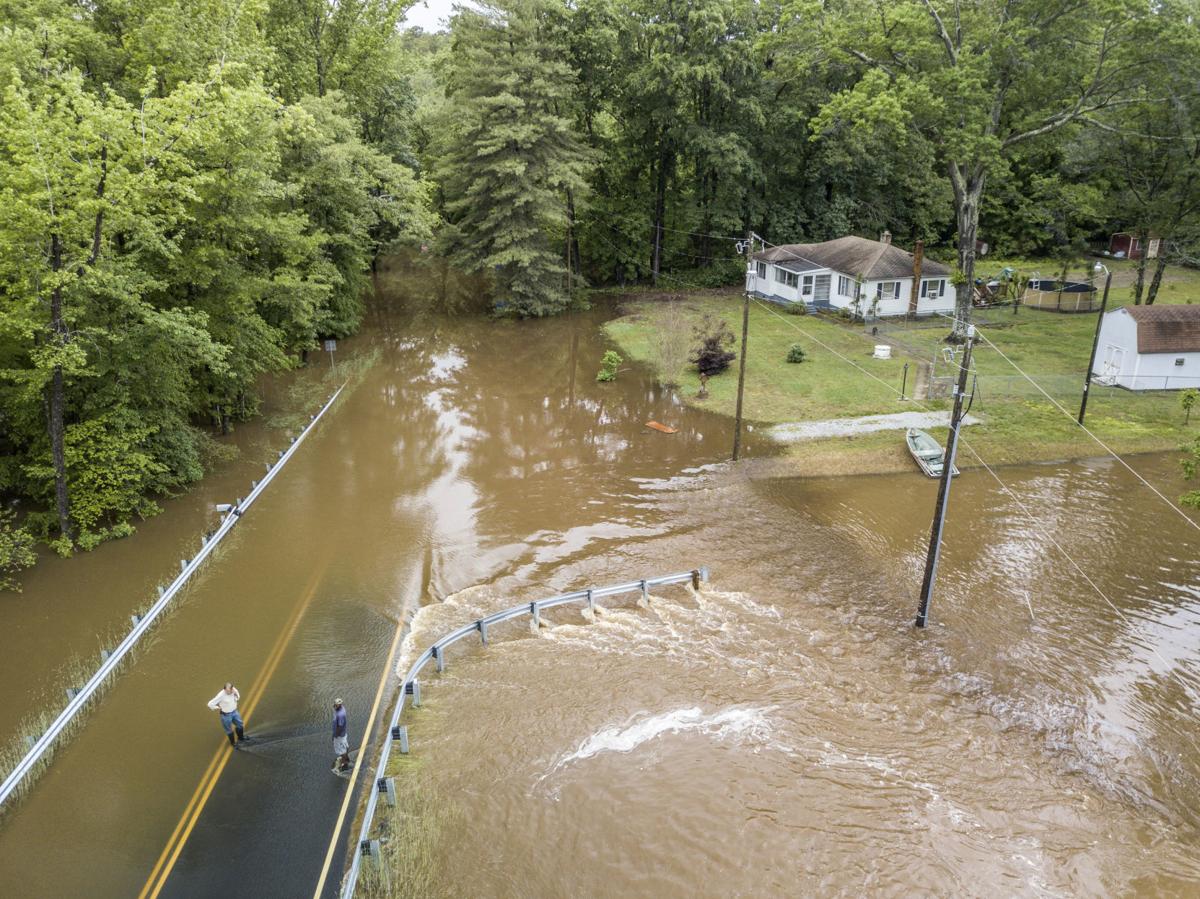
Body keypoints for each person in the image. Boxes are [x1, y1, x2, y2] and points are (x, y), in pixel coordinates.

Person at [207, 682, 248, 749]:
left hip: (234, 712)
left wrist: (236, 696)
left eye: (231, 690)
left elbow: (238, 696)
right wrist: (218, 707)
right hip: (226, 715)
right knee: (229, 730)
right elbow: (210, 704)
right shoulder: (221, 695)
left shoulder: (233, 690)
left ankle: (241, 738)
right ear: (224, 690)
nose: (230, 692)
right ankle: (233, 743)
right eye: (228, 691)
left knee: (240, 725)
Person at [332, 698, 350, 773]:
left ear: (339, 705)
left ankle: (345, 764)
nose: (334, 706)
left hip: (340, 735)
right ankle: (346, 759)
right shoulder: (340, 709)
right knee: (344, 746)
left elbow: (340, 726)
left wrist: (335, 735)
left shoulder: (340, 714)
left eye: (336, 705)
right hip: (342, 734)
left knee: (341, 750)